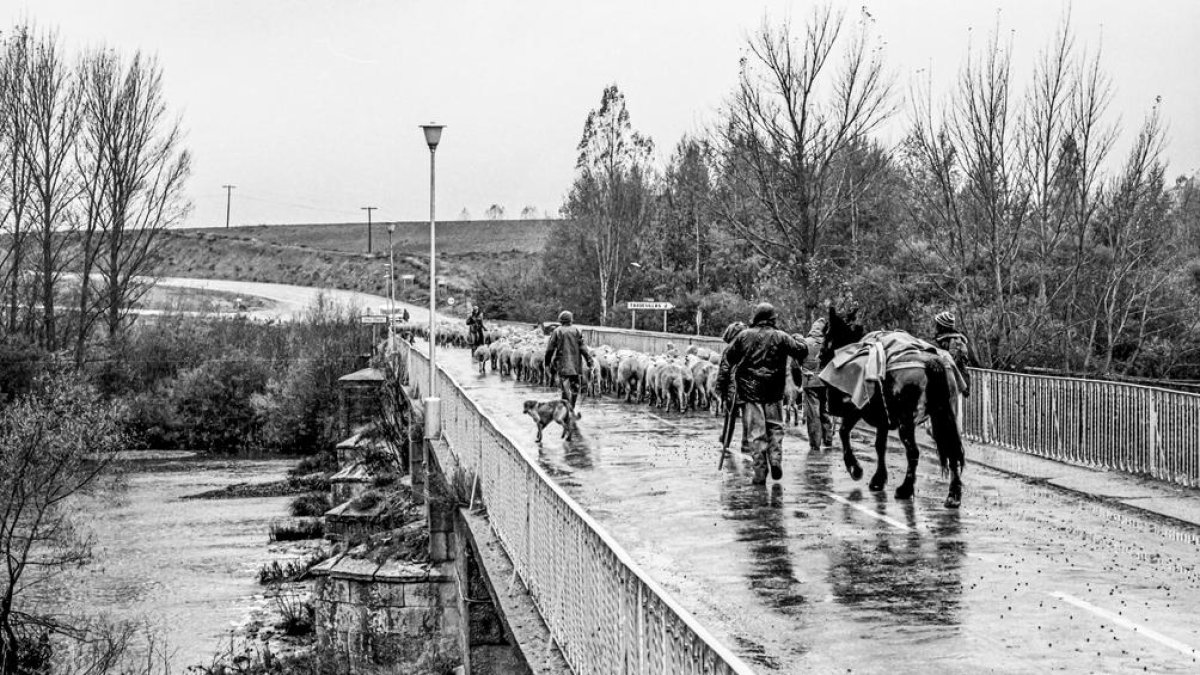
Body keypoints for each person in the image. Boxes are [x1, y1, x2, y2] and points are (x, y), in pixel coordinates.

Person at [716, 303, 809, 485]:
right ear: (772, 318)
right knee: (775, 427)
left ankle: (760, 471)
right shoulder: (781, 336)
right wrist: (801, 340)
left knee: (756, 432)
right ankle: (775, 460)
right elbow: (801, 351)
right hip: (774, 391)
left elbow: (729, 356)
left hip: (750, 392)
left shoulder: (743, 336)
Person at [544, 310, 594, 418]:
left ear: (560, 320)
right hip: (576, 365)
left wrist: (547, 363)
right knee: (575, 387)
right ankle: (571, 408)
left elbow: (550, 349)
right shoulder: (577, 331)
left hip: (562, 365)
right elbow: (583, 348)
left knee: (565, 388)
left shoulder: (557, 331)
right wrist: (590, 361)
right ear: (571, 320)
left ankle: (567, 409)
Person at [797, 317, 833, 453]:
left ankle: (815, 444)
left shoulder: (805, 343)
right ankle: (828, 439)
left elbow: (797, 361)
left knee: (813, 413)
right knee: (825, 410)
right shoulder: (829, 343)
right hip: (826, 381)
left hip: (809, 382)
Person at [933, 311, 977, 396]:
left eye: (937, 324)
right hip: (959, 380)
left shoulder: (948, 341)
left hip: (948, 380)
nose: (936, 327)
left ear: (942, 326)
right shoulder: (958, 339)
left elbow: (951, 361)